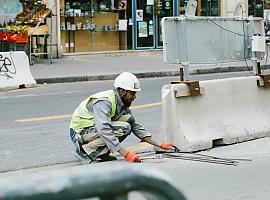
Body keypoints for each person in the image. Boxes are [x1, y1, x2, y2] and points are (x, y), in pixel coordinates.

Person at [69, 72, 175, 162]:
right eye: (132, 93)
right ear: (122, 91)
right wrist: (126, 154)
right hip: (80, 133)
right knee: (123, 128)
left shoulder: (121, 102)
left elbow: (135, 126)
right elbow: (104, 130)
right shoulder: (104, 102)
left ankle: (100, 153)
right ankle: (85, 152)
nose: (134, 97)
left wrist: (160, 144)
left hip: (93, 129)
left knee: (128, 120)